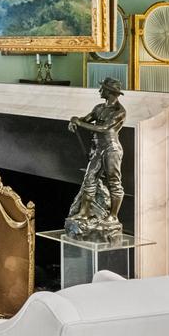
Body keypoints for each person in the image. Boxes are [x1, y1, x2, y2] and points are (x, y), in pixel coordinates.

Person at [65, 79, 126, 240]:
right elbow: (85, 119)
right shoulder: (98, 108)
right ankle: (84, 212)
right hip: (98, 148)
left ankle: (113, 216)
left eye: (103, 89)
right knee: (89, 178)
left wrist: (80, 123)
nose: (100, 91)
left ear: (110, 92)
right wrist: (74, 119)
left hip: (111, 148)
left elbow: (104, 128)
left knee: (114, 182)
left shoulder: (119, 111)